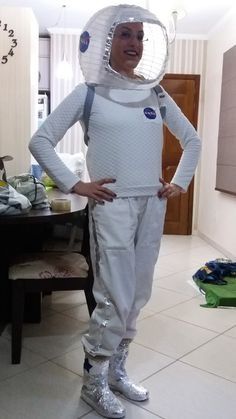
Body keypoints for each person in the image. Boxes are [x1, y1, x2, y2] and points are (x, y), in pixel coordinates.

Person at [29, 4, 201, 418]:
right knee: (114, 296)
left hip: (153, 205)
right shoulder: (88, 92)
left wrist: (179, 181)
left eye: (140, 36)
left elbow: (191, 140)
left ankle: (116, 370)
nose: (134, 44)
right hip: (112, 206)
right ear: (108, 41)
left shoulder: (155, 92)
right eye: (126, 35)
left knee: (138, 292)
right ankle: (93, 380)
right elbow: (41, 140)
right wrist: (76, 184)